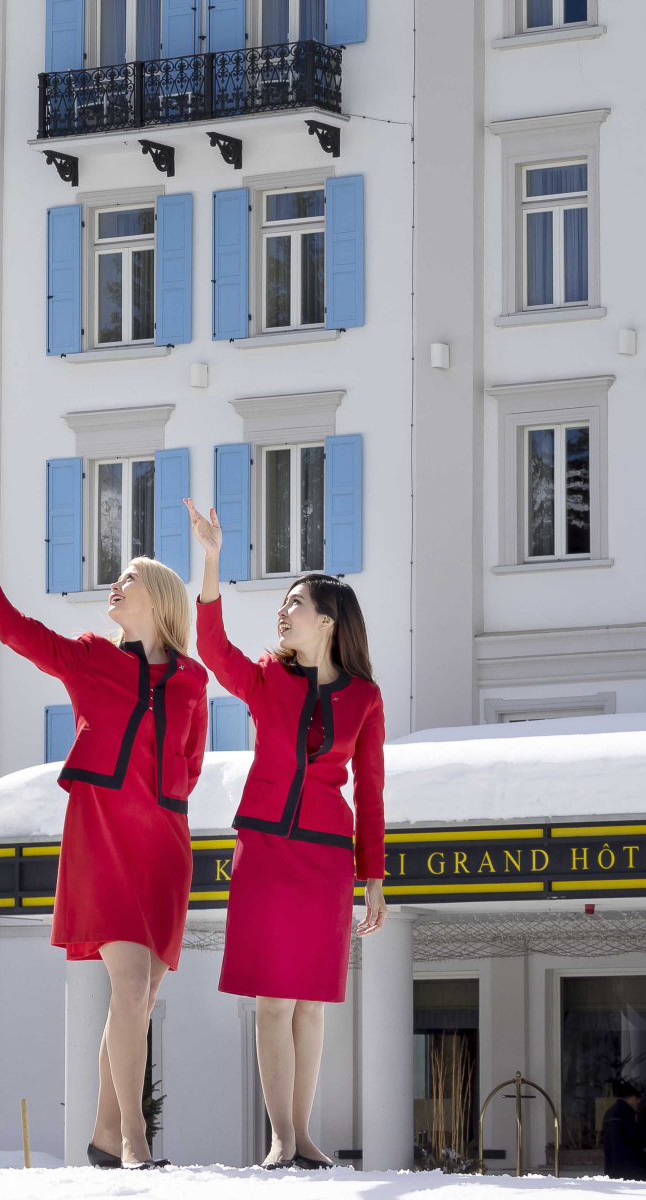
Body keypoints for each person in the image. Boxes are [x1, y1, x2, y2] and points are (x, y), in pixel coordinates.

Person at [0, 500, 207, 1170]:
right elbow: (15, 631)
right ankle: (137, 1140)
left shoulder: (193, 681)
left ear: (160, 598)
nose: (116, 584)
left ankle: (105, 1137)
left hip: (164, 848)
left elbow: (191, 765)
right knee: (132, 987)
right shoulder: (87, 659)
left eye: (129, 578)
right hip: (102, 840)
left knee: (135, 998)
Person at [187, 498, 385, 1168]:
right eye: (283, 602)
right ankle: (279, 1137)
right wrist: (211, 559)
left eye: (295, 602)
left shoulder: (365, 697)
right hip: (266, 850)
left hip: (327, 859)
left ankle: (303, 1135)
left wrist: (373, 880)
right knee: (273, 1000)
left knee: (311, 1004)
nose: (284, 610)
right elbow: (211, 647)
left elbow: (373, 791)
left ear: (327, 621)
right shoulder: (266, 678)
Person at [600, 1081, 646, 1181]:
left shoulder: (609, 1112)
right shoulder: (626, 1113)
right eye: (636, 1100)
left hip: (612, 1165)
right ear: (632, 1098)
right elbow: (633, 1136)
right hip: (629, 1166)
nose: (637, 1104)